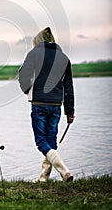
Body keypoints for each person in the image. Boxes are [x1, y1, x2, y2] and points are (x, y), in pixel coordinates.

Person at [18, 27, 75, 182]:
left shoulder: (34, 53)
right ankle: (44, 178)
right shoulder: (64, 58)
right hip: (56, 104)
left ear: (38, 41)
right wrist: (70, 111)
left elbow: (23, 75)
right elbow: (68, 87)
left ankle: (64, 171)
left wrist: (27, 90)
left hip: (39, 103)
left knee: (41, 141)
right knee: (51, 140)